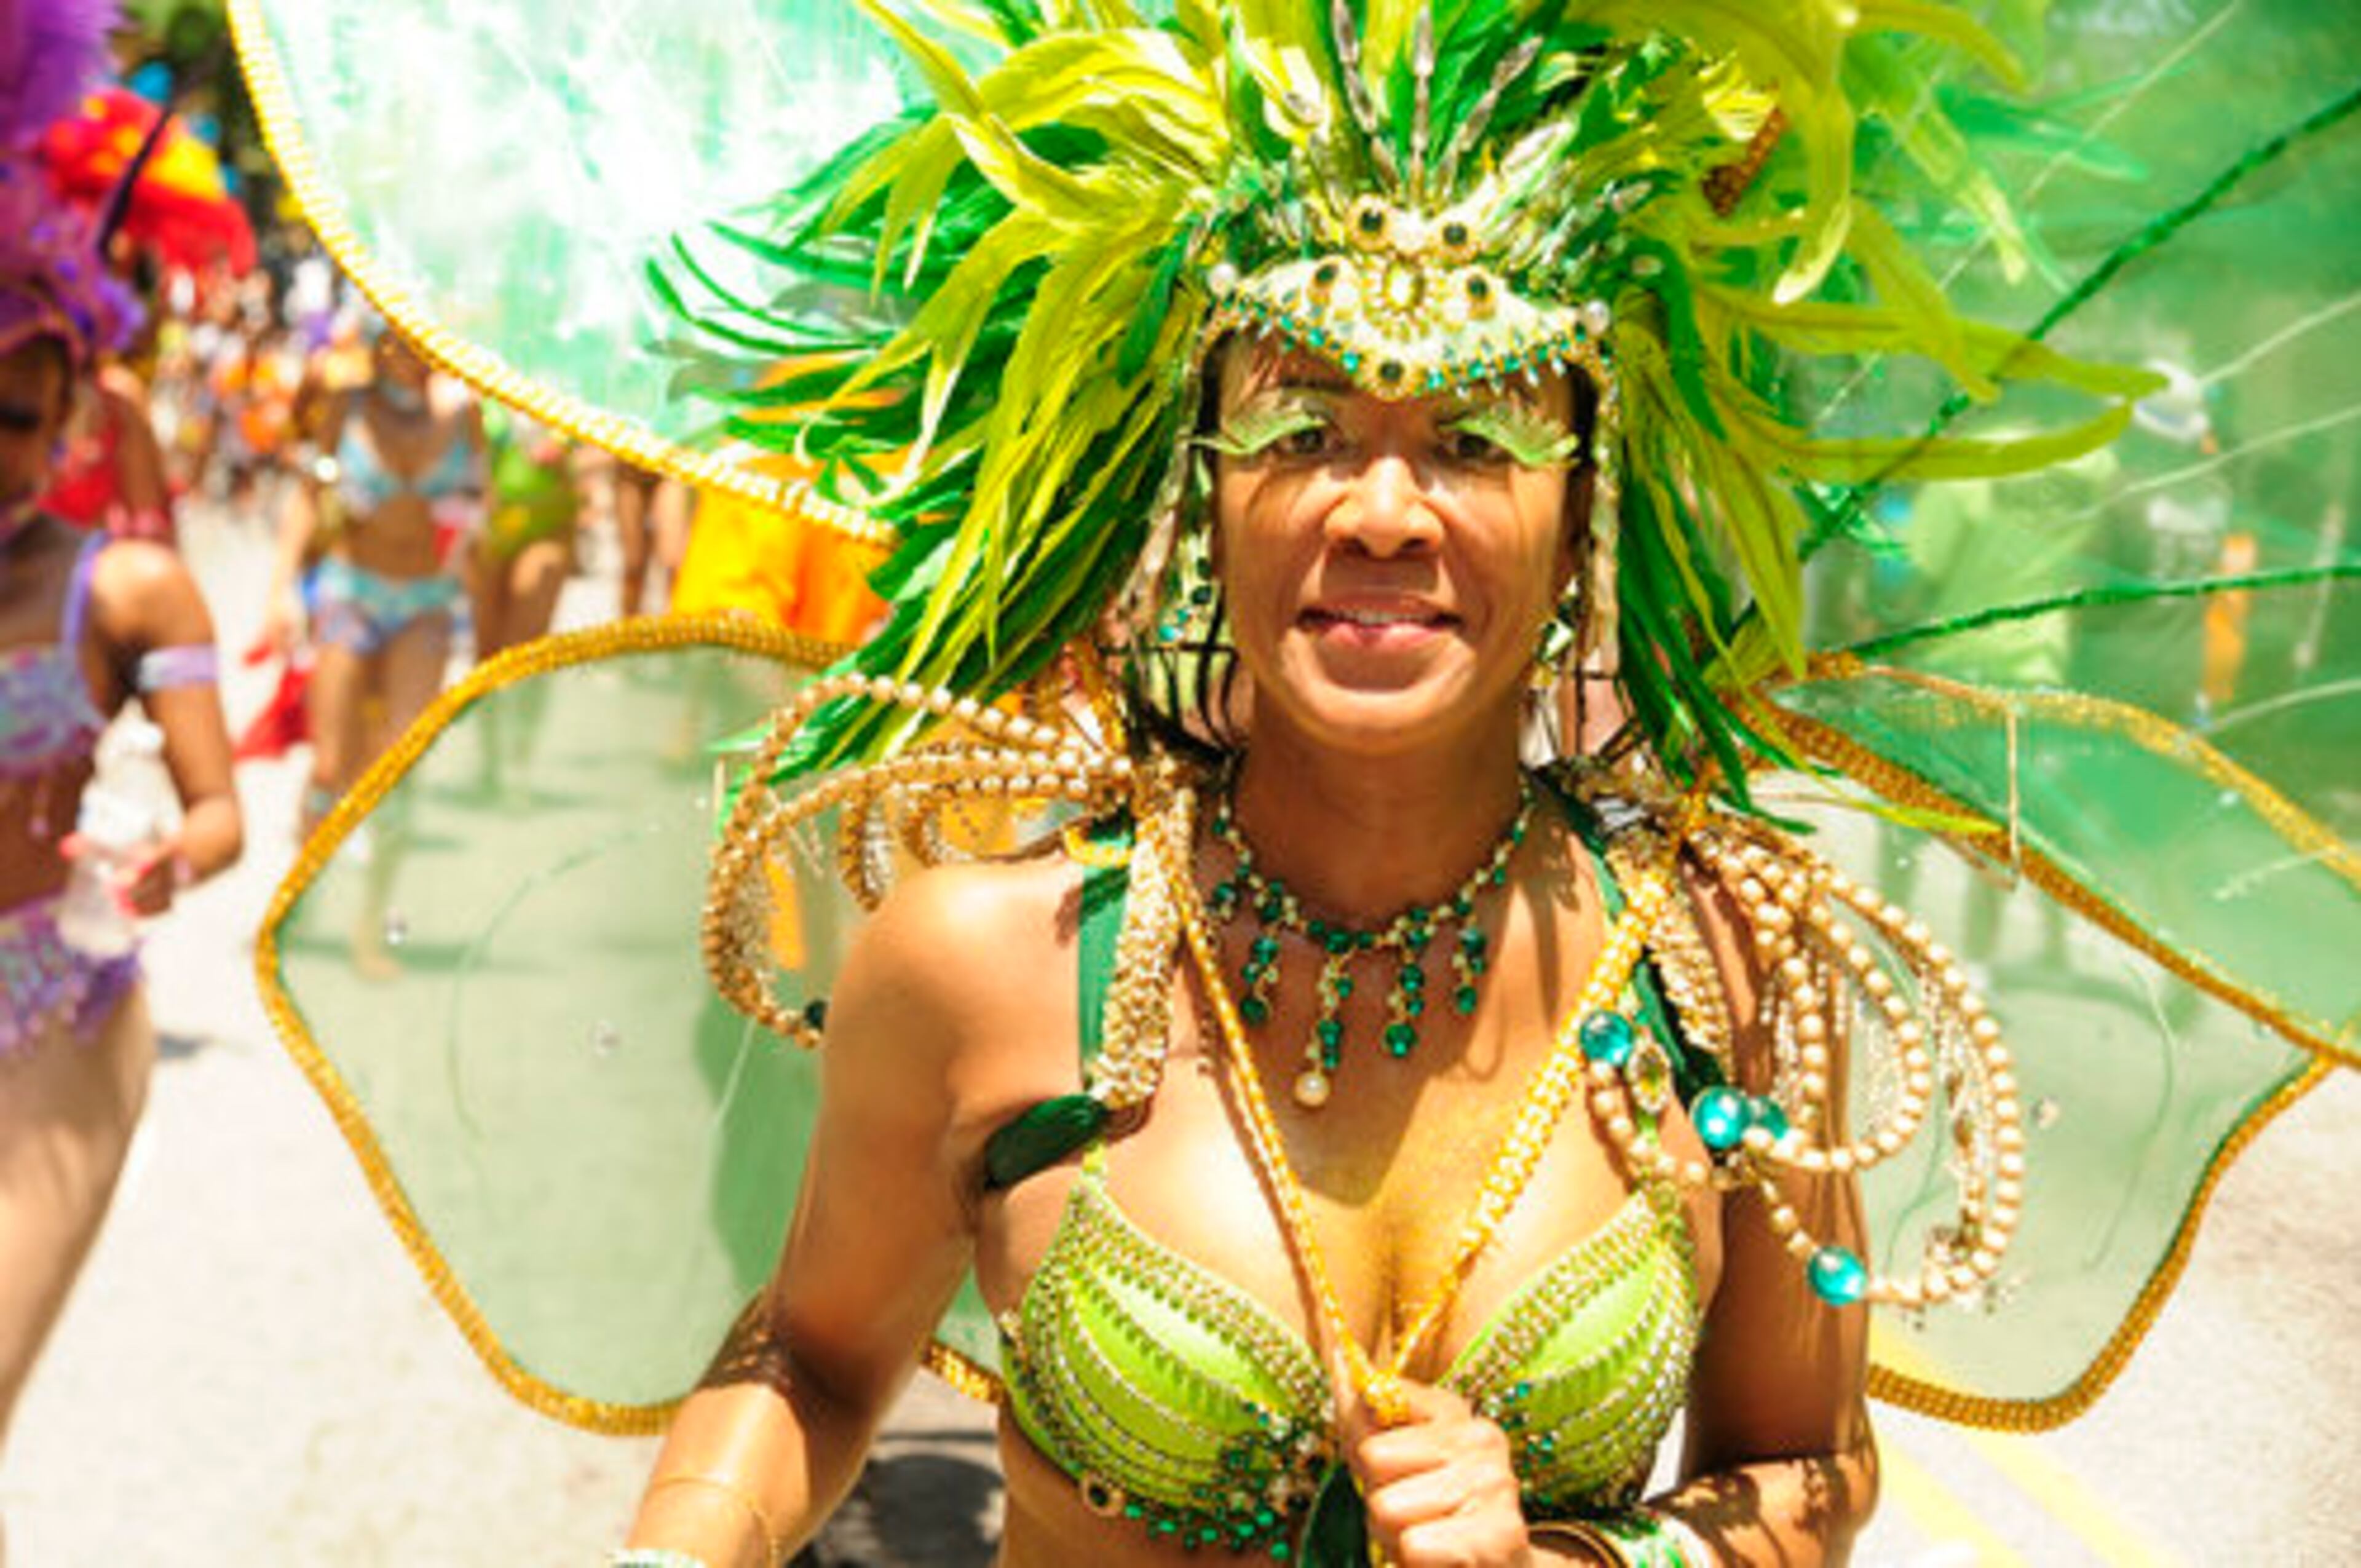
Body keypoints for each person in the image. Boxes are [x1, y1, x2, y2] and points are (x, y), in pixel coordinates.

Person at [609, 7, 2119, 1565]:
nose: (1384, 509)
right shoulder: (987, 961)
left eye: (1472, 436)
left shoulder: (1721, 965)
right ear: (1204, 489)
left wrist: (1582, 1559)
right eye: (1299, 427)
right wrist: (680, 1544)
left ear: (1580, 500)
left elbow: (1806, 1462)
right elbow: (812, 1354)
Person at [0, 2, 243, 1521]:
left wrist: (169, 856)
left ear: (71, 414)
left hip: (49, 1020)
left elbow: (220, 807)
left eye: (12, 417)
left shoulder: (124, 589)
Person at [263, 318, 483, 837]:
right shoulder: (349, 405)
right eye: (397, 337)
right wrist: (282, 592)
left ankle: (372, 915)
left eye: (423, 339)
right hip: (350, 593)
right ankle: (307, 894)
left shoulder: (465, 414)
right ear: (376, 340)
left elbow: (480, 511)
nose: (410, 352)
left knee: (396, 771)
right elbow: (308, 497)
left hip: (427, 602)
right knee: (329, 767)